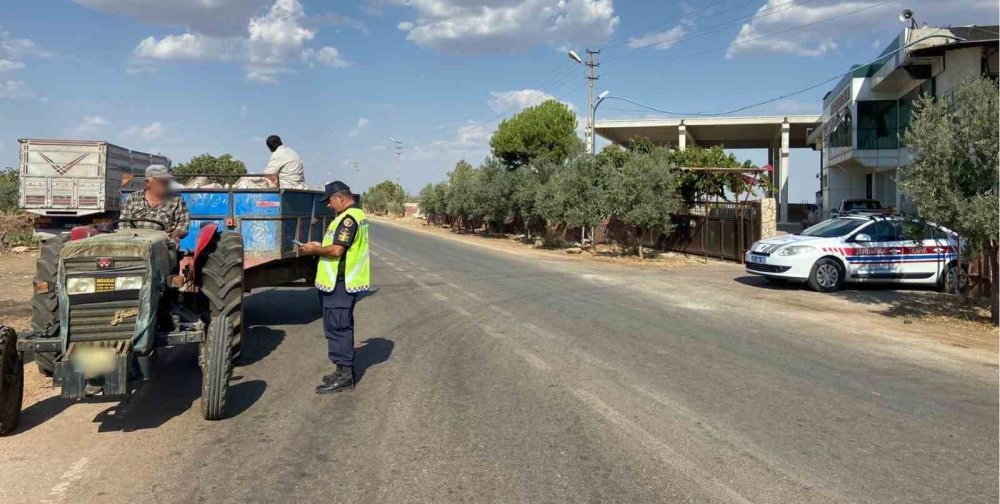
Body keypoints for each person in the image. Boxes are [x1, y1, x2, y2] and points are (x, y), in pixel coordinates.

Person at [299, 181, 370, 394]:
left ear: (340, 197)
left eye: (329, 200)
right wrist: (320, 246)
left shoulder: (349, 220)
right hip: (340, 283)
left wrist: (315, 250)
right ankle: (341, 369)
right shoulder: (354, 216)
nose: (329, 205)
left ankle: (345, 376)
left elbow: (338, 251)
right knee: (339, 325)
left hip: (341, 284)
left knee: (338, 327)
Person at [120, 164, 189, 242]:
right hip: (137, 244)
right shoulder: (132, 199)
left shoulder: (177, 199)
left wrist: (175, 237)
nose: (166, 184)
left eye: (167, 181)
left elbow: (183, 224)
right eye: (162, 181)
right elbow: (123, 225)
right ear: (147, 183)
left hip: (164, 244)